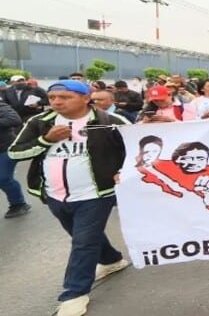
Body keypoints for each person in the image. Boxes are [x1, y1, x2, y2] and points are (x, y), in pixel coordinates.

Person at [7, 80, 130, 316]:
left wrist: (122, 171)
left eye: (65, 97)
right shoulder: (40, 122)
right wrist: (46, 140)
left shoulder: (110, 121)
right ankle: (112, 260)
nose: (57, 102)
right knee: (83, 236)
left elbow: (137, 148)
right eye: (53, 98)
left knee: (83, 242)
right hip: (55, 195)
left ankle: (74, 294)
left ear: (86, 98)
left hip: (96, 194)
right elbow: (15, 152)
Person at [0, 99, 27, 218]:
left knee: (3, 178)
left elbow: (14, 119)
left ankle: (19, 204)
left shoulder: (1, 106)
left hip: (5, 148)